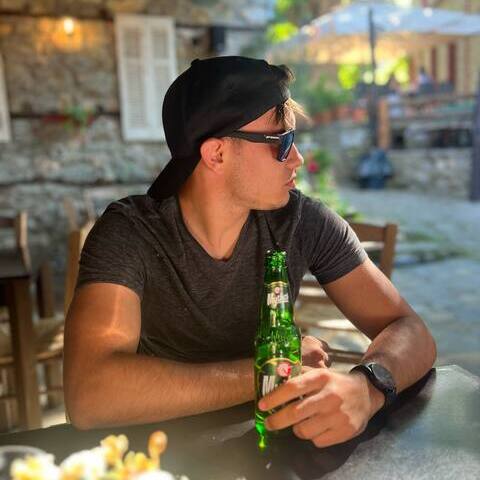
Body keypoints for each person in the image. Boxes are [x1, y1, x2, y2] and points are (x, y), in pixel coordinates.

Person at [64, 56, 436, 448]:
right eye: (282, 143)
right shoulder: (131, 232)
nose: (297, 158)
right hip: (155, 454)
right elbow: (90, 394)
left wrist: (367, 387)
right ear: (217, 154)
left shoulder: (301, 222)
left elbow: (411, 330)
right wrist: (273, 370)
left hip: (270, 443)